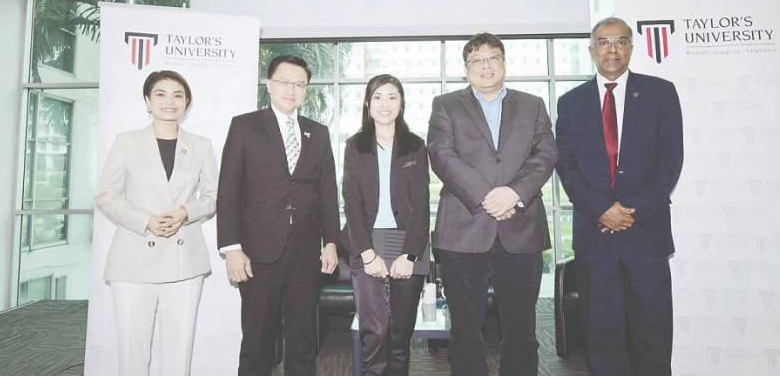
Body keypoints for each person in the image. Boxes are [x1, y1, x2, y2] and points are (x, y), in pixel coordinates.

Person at [555, 17, 684, 376]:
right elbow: (565, 165)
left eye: (620, 42)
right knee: (602, 335)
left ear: (630, 47)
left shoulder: (661, 92)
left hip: (646, 234)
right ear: (591, 49)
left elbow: (670, 161)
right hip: (596, 237)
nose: (612, 49)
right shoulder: (571, 102)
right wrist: (601, 210)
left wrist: (631, 211)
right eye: (603, 42)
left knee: (652, 333)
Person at [427, 32, 557, 376]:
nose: (485, 65)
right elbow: (441, 155)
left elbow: (546, 153)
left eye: (492, 58)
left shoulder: (533, 104)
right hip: (463, 231)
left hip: (521, 228)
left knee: (521, 332)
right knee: (466, 332)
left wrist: (513, 193)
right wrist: (488, 196)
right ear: (466, 68)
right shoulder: (446, 105)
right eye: (477, 60)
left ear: (504, 63)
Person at [217, 54, 340, 376]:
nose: (292, 89)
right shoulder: (245, 126)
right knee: (258, 340)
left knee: (303, 340)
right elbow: (228, 190)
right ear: (269, 84)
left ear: (306, 90)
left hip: (305, 254)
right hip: (257, 254)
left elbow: (327, 192)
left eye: (300, 84)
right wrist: (232, 248)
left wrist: (331, 242)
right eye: (285, 82)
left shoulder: (319, 132)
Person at [96, 70, 218, 376]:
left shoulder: (201, 145)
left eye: (178, 95)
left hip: (184, 258)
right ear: (148, 101)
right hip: (133, 259)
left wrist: (185, 212)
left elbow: (215, 196)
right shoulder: (126, 142)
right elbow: (106, 195)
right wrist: (146, 220)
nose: (169, 101)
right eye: (160, 94)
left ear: (187, 103)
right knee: (132, 352)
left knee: (179, 352)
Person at [342, 74, 431, 376]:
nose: (385, 103)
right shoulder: (355, 146)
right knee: (375, 333)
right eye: (378, 96)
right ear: (368, 103)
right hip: (367, 243)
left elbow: (422, 205)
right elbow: (351, 203)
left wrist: (410, 255)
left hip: (408, 243)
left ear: (401, 103)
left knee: (399, 337)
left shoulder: (416, 146)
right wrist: (367, 253)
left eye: (392, 96)